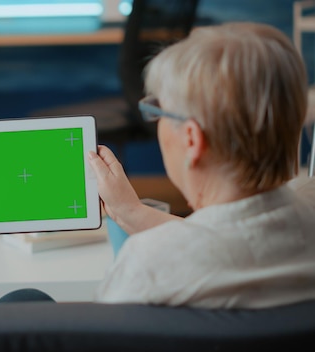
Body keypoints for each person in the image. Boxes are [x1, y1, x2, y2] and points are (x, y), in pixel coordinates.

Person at [87, 22, 315, 308]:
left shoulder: (146, 268)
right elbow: (241, 232)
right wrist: (130, 212)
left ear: (192, 139)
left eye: (157, 109)